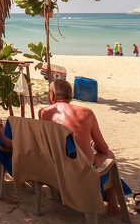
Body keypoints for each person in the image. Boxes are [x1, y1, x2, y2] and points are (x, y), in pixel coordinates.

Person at [39, 79, 122, 215]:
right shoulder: (86, 113)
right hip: (82, 170)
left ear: (52, 95)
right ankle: (113, 205)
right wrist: (92, 145)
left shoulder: (44, 112)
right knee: (109, 156)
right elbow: (103, 148)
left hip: (55, 166)